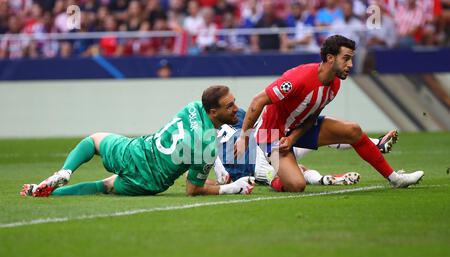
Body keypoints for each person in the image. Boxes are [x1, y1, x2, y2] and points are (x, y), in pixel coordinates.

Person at [234, 35, 424, 192]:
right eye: (346, 58)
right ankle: (273, 179)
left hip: (297, 130)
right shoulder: (298, 79)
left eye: (351, 59)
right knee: (297, 185)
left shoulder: (334, 83)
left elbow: (310, 119)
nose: (350, 64)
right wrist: (243, 136)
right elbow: (258, 101)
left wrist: (292, 139)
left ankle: (395, 178)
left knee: (353, 131)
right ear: (330, 58)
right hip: (271, 134)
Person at [21, 86, 255, 197]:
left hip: (136, 151)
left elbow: (199, 137)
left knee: (93, 141)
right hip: (149, 183)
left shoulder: (193, 107)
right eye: (230, 106)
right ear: (213, 112)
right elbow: (193, 189)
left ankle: (64, 172)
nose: (236, 109)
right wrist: (232, 187)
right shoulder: (207, 148)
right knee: (105, 186)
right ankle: (47, 194)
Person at [215, 108, 398, 186]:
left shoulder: (204, 140)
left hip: (256, 167)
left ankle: (321, 179)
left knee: (289, 176)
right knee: (322, 139)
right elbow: (256, 124)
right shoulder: (234, 114)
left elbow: (223, 177)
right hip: (269, 146)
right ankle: (375, 143)